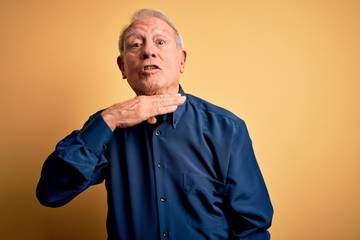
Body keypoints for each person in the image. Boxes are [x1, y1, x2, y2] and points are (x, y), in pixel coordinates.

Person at [36, 8, 273, 240]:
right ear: (122, 67)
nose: (148, 51)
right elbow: (51, 193)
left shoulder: (226, 129)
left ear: (181, 60)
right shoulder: (106, 127)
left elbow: (252, 228)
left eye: (160, 42)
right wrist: (109, 120)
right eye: (136, 45)